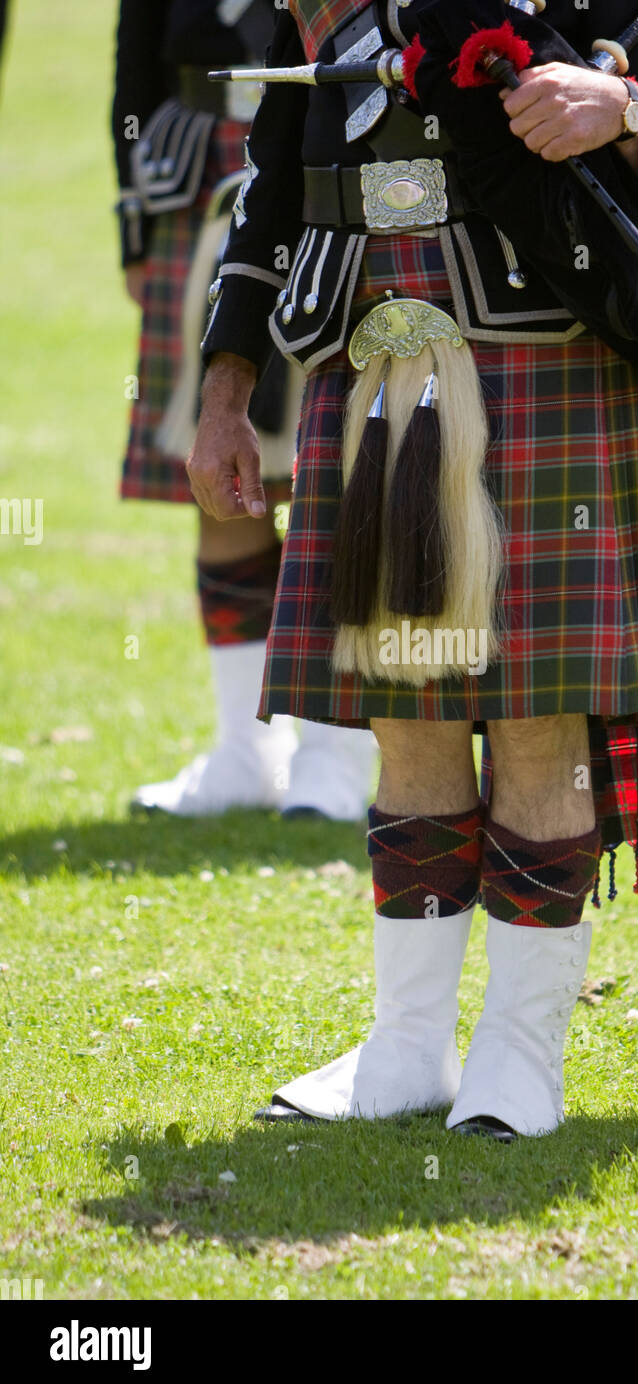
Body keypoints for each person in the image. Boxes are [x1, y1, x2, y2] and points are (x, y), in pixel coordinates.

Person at [189, 0, 638, 1139]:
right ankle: (405, 1046)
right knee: (413, 713)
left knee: (539, 719)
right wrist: (224, 390)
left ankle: (518, 1054)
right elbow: (273, 179)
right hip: (386, 363)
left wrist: (624, 112)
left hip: (557, 358)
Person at [113, 0, 377, 818]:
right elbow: (136, 57)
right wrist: (133, 219)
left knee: (338, 475)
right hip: (196, 174)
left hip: (339, 169)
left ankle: (336, 756)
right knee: (219, 482)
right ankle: (245, 751)